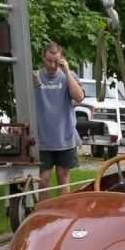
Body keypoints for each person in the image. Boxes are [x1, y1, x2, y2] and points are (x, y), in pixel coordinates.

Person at [32, 41, 85, 200]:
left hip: (65, 138)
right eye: (49, 61)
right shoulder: (36, 76)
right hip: (42, 140)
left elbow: (79, 97)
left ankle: (63, 216)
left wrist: (67, 72)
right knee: (43, 180)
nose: (53, 65)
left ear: (62, 59)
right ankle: (45, 216)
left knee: (63, 178)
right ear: (43, 58)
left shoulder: (68, 76)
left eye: (57, 61)